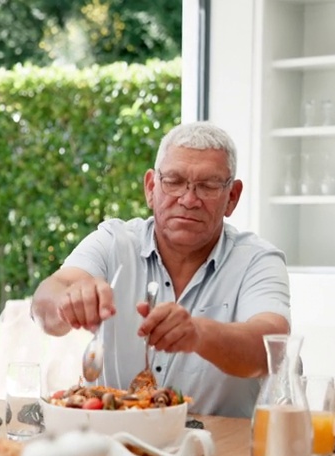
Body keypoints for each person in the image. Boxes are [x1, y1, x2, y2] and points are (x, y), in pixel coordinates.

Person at [30, 122, 290, 418]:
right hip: (110, 442)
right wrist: (67, 302)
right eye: (174, 181)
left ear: (232, 197)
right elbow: (46, 300)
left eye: (207, 185)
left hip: (219, 451)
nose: (189, 199)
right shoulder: (113, 242)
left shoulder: (257, 260)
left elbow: (272, 349)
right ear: (151, 188)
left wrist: (198, 333)